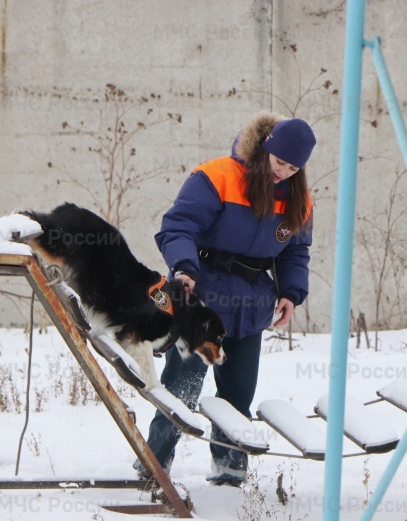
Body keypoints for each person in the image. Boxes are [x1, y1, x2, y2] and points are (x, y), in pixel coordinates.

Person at [134, 111, 317, 487]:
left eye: (294, 168)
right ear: (267, 149)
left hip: (252, 304)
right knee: (180, 389)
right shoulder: (217, 176)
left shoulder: (299, 199)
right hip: (203, 294)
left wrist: (290, 294)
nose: (284, 172)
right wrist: (183, 269)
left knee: (237, 394)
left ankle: (231, 472)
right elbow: (178, 226)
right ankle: (153, 465)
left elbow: (295, 252)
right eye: (280, 162)